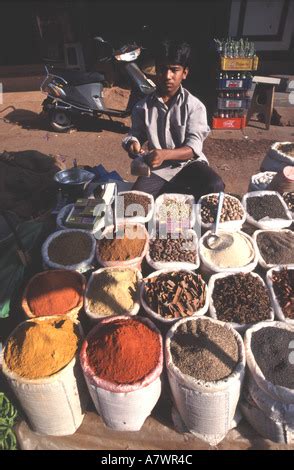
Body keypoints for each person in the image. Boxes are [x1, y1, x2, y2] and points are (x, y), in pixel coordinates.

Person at [122, 39, 225, 200]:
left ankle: (197, 219)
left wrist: (164, 154)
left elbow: (192, 148)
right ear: (157, 71)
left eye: (174, 70)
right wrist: (132, 143)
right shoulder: (142, 107)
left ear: (184, 73)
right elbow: (135, 133)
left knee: (215, 185)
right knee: (133, 203)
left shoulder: (195, 106)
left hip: (188, 165)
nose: (168, 76)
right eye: (163, 70)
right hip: (158, 169)